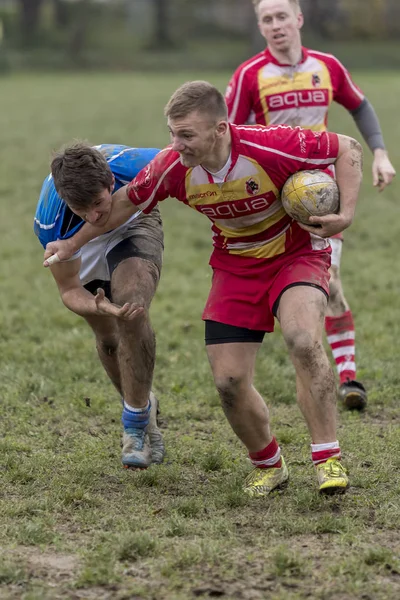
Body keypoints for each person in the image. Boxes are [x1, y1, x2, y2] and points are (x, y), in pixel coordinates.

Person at [43, 81, 363, 496]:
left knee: (302, 339)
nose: (176, 143)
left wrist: (347, 214)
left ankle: (327, 457)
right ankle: (269, 464)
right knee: (228, 381)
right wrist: (70, 244)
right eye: (172, 133)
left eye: (186, 135)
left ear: (220, 128)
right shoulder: (172, 166)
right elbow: (125, 202)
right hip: (235, 266)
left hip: (295, 255)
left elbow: (347, 147)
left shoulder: (274, 145)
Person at [225, 0, 396, 411]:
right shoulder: (250, 74)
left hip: (322, 191)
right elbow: (230, 134)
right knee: (295, 289)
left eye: (282, 16)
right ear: (261, 27)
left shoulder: (327, 65)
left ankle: (349, 377)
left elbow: (359, 105)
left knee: (332, 280)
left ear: (298, 20)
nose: (275, 25)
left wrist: (380, 153)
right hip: (273, 195)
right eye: (266, 19)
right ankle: (308, 363)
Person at [35, 143, 165, 470]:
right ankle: (142, 406)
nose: (93, 216)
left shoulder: (139, 165)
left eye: (97, 203)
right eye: (81, 209)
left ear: (110, 182)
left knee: (131, 307)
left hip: (132, 220)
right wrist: (100, 309)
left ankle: (134, 427)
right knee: (109, 338)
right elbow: (69, 289)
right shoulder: (51, 224)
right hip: (81, 246)